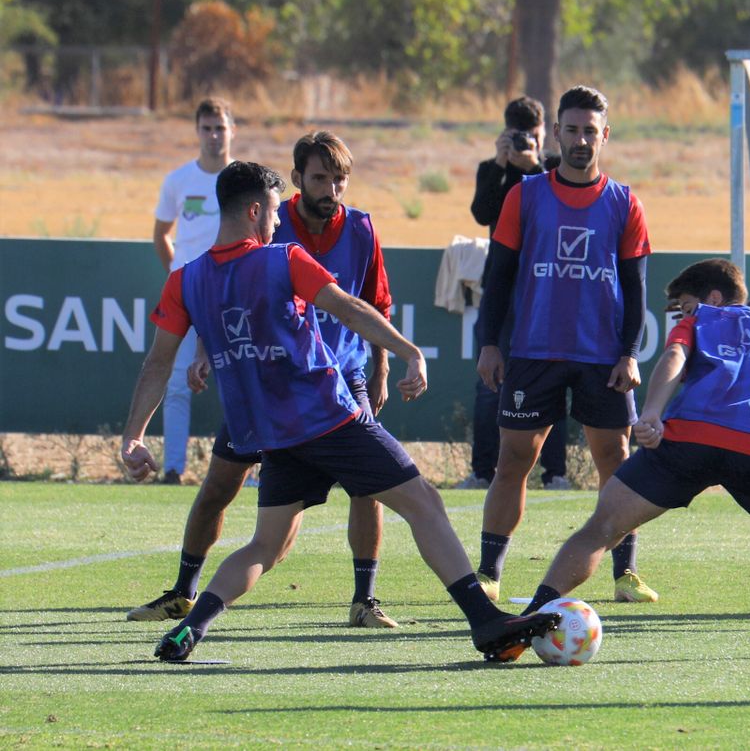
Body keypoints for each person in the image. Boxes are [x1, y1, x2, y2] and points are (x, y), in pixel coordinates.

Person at [120, 162, 555, 663]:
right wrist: (409, 351)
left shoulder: (186, 280)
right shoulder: (283, 259)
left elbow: (157, 363)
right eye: (275, 214)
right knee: (424, 502)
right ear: (256, 210)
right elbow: (350, 308)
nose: (279, 224)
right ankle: (485, 620)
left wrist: (133, 436)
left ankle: (189, 631)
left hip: (273, 436)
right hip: (329, 420)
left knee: (266, 546)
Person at [520, 259, 750, 658]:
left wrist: (652, 413)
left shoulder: (701, 322)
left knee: (602, 526)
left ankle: (528, 620)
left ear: (713, 298)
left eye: (686, 304)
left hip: (688, 441)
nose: (684, 312)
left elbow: (674, 358)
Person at [125, 132, 405, 630]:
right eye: (321, 178)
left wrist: (381, 366)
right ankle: (183, 593)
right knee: (220, 485)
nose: (332, 189)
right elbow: (229, 295)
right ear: (296, 181)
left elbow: (371, 303)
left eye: (340, 179)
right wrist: (214, 352)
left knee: (369, 486)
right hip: (266, 385)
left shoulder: (361, 229)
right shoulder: (271, 227)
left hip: (341, 379)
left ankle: (365, 599)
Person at [475, 85, 657, 604]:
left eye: (590, 131)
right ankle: (490, 572)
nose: (581, 140)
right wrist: (490, 343)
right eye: (572, 130)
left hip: (601, 357)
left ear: (606, 135)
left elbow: (635, 286)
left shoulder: (625, 203)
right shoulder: (524, 195)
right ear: (556, 132)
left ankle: (624, 574)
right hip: (534, 351)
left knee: (616, 463)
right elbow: (499, 276)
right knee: (514, 460)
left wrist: (629, 353)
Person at [464, 96, 569, 491]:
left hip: (549, 286)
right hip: (503, 287)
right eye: (517, 136)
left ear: (546, 135)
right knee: (490, 379)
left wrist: (536, 168)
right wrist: (503, 166)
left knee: (554, 377)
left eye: (533, 136)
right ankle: (481, 471)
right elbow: (482, 213)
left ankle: (555, 473)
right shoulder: (491, 169)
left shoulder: (557, 169)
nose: (527, 142)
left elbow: (561, 208)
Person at [151, 97, 238, 484]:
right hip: (187, 297)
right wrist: (180, 275)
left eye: (220, 127)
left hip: (233, 295)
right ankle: (173, 469)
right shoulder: (178, 180)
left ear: (232, 130)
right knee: (176, 384)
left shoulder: (243, 180)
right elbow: (161, 235)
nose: (214, 135)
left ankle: (247, 469)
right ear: (197, 131)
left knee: (242, 382)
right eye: (206, 128)